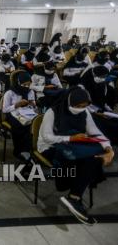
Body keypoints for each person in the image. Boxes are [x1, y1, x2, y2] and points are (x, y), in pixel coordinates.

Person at [37, 87, 114, 224]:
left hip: (73, 144)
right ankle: (71, 193)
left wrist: (108, 148)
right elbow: (46, 137)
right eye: (78, 106)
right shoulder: (53, 112)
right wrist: (71, 138)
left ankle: (74, 197)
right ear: (69, 102)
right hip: (50, 147)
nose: (80, 109)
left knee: (93, 159)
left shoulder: (84, 112)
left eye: (84, 106)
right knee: (83, 160)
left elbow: (95, 131)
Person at [2, 71, 37, 161]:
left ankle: (27, 149)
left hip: (27, 112)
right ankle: (18, 150)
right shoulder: (10, 93)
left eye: (28, 85)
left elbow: (33, 106)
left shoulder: (30, 91)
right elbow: (4, 109)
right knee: (20, 126)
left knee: (34, 124)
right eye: (24, 85)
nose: (26, 87)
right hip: (12, 113)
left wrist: (33, 105)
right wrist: (16, 105)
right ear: (18, 83)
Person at [79, 65, 118, 145]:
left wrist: (108, 109)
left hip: (100, 109)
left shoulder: (102, 83)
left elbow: (103, 99)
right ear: (94, 75)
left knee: (114, 120)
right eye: (102, 77)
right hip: (88, 112)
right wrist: (97, 112)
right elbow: (83, 105)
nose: (103, 79)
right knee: (109, 126)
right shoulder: (82, 86)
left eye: (105, 77)